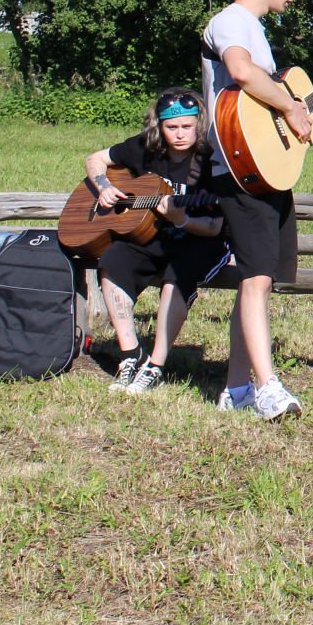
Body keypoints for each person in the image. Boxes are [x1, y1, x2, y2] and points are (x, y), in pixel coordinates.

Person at [201, 0, 313, 421]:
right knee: (257, 278)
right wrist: (292, 105)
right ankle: (265, 386)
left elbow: (264, 116)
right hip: (238, 175)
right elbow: (242, 74)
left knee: (259, 281)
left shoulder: (255, 29)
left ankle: (235, 389)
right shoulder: (231, 22)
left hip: (262, 171)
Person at [83, 87, 231, 395]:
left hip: (199, 239)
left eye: (187, 127)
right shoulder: (144, 149)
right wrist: (104, 186)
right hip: (150, 235)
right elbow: (95, 158)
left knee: (177, 274)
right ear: (159, 126)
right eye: (171, 127)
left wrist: (183, 220)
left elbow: (216, 226)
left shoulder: (211, 161)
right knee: (111, 262)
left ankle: (155, 366)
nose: (179, 134)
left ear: (199, 124)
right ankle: (129, 355)